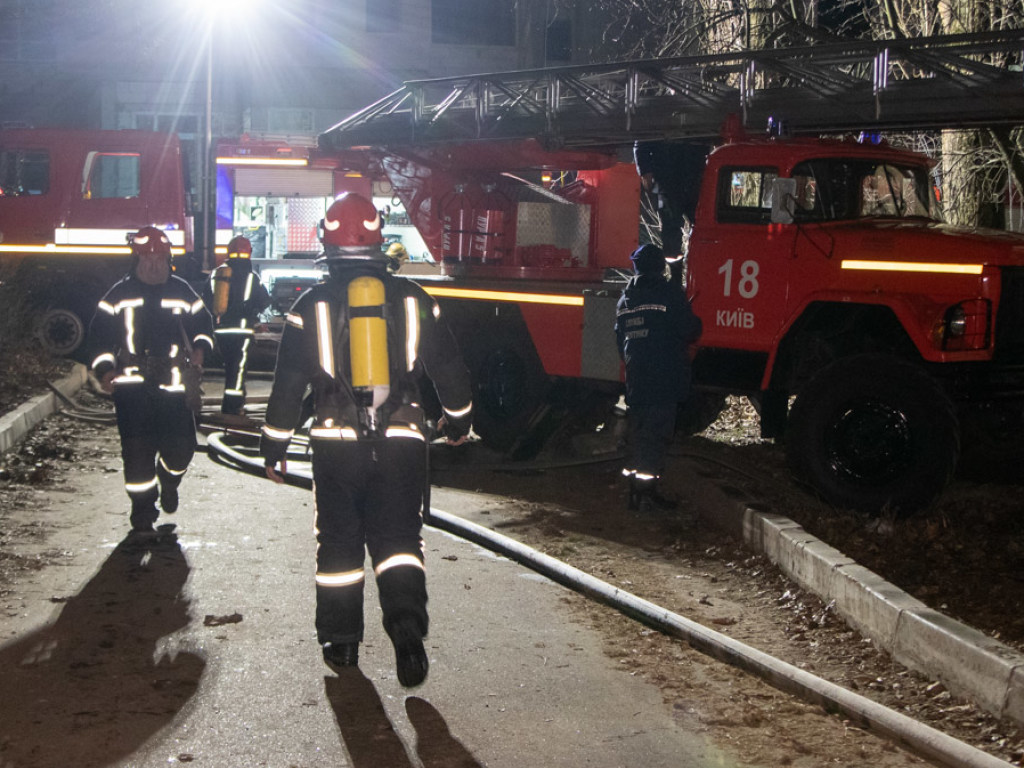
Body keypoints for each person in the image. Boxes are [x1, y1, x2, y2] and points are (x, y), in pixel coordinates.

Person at [259, 192, 472, 687]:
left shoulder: (308, 306)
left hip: (336, 447)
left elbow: (288, 387)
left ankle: (343, 643)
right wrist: (458, 423)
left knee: (338, 544)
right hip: (402, 443)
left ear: (327, 244)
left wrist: (273, 448)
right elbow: (450, 371)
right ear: (379, 241)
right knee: (399, 541)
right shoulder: (415, 299)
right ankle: (405, 630)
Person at [88, 226, 214, 535]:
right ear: (137, 260)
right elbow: (97, 338)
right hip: (132, 390)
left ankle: (169, 479)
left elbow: (204, 325)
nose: (155, 265)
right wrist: (105, 369)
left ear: (169, 259)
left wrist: (200, 348)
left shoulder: (183, 291)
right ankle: (143, 514)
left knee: (182, 450)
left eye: (160, 259)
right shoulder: (118, 294)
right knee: (137, 456)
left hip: (173, 387)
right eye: (148, 259)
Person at [615, 244, 702, 513]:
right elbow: (690, 330)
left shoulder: (625, 300)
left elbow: (621, 341)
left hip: (637, 377)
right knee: (656, 435)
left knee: (639, 433)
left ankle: (634, 491)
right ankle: (647, 495)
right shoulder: (668, 293)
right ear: (660, 267)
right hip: (664, 376)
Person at [203, 235, 271, 417]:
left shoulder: (217, 274)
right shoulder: (251, 277)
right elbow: (264, 300)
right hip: (242, 331)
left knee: (230, 368)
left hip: (222, 330)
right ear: (248, 252)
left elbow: (206, 300)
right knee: (238, 370)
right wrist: (254, 318)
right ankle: (233, 408)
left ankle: (232, 405)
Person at [633, 140, 710, 264]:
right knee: (671, 229)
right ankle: (675, 267)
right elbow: (642, 141)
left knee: (701, 225)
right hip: (668, 179)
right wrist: (645, 171)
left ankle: (697, 260)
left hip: (694, 177)